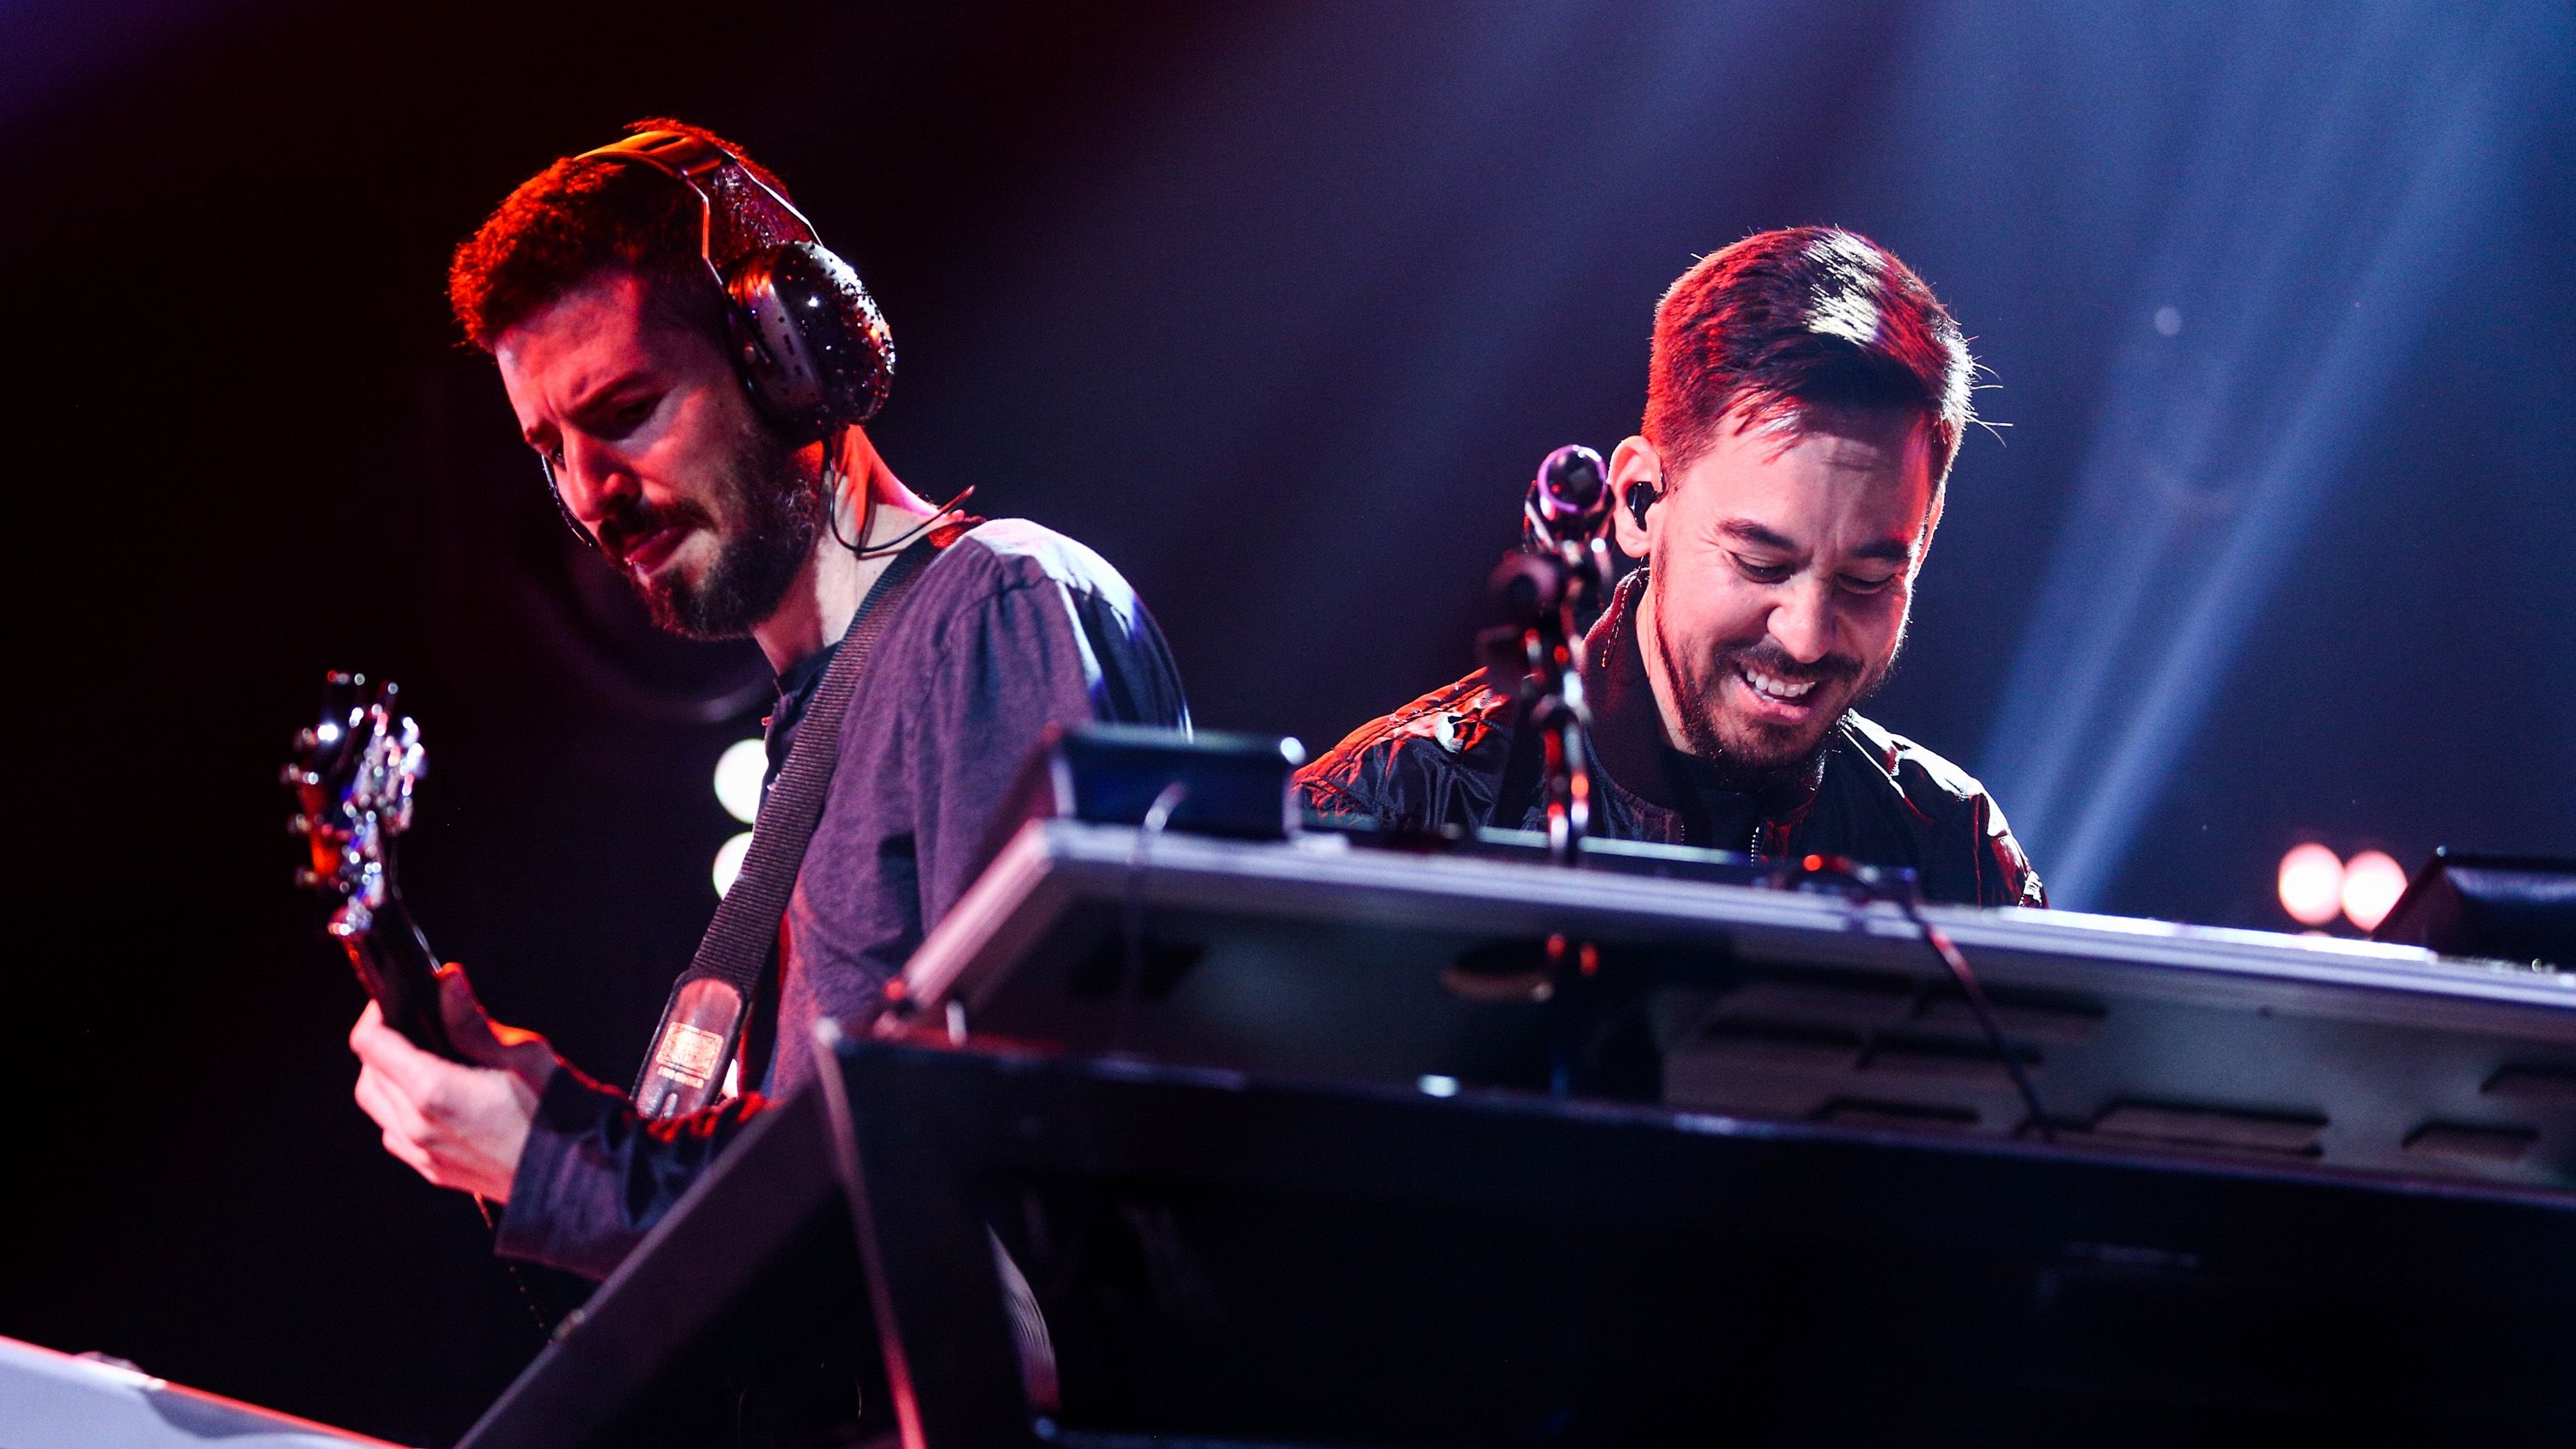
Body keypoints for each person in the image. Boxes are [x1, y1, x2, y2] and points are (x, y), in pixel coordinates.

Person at [348, 120, 1189, 1280]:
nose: (591, 496)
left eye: (626, 410)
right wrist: (553, 1126)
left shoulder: (990, 614)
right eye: (550, 447)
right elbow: (823, 1210)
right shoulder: (816, 724)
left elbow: (1000, 1172)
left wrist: (562, 1164)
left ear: (788, 360)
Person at [1297, 227, 2041, 908]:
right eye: (1761, 562)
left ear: (1925, 540)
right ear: (1639, 501)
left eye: (1867, 581)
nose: (1809, 637)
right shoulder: (1398, 808)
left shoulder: (1955, 849)